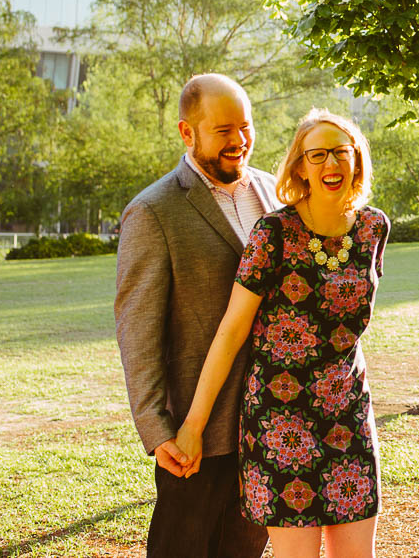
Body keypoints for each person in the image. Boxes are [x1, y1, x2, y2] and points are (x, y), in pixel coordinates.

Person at [175, 108, 390, 558]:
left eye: (339, 152)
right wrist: (192, 426)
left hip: (347, 411)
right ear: (299, 167)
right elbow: (231, 332)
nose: (330, 164)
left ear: (356, 159)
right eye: (316, 155)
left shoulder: (374, 227)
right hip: (280, 419)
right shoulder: (273, 233)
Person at [115, 73, 277, 558]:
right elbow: (136, 328)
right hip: (197, 428)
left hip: (272, 419)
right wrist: (157, 427)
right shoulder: (153, 210)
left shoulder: (276, 194)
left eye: (245, 127)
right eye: (223, 130)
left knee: (246, 550)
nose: (239, 141)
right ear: (188, 133)